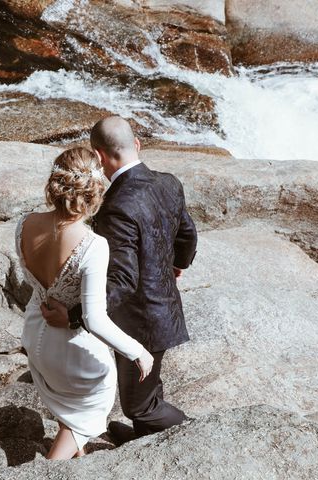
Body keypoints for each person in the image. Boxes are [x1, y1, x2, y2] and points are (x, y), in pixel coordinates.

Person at [41, 116, 198, 446]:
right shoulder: (169, 182)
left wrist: (72, 316)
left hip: (141, 321)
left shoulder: (116, 206)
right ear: (136, 145)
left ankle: (196, 433)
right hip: (164, 307)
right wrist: (177, 264)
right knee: (147, 385)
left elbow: (122, 281)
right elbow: (187, 234)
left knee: (139, 404)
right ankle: (144, 439)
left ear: (99, 157)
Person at [15, 146, 155, 460]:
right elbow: (94, 319)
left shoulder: (25, 224)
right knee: (93, 401)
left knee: (73, 410)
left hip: (36, 337)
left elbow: (32, 281)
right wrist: (139, 352)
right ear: (95, 192)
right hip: (70, 353)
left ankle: (77, 464)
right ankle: (50, 469)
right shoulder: (93, 246)